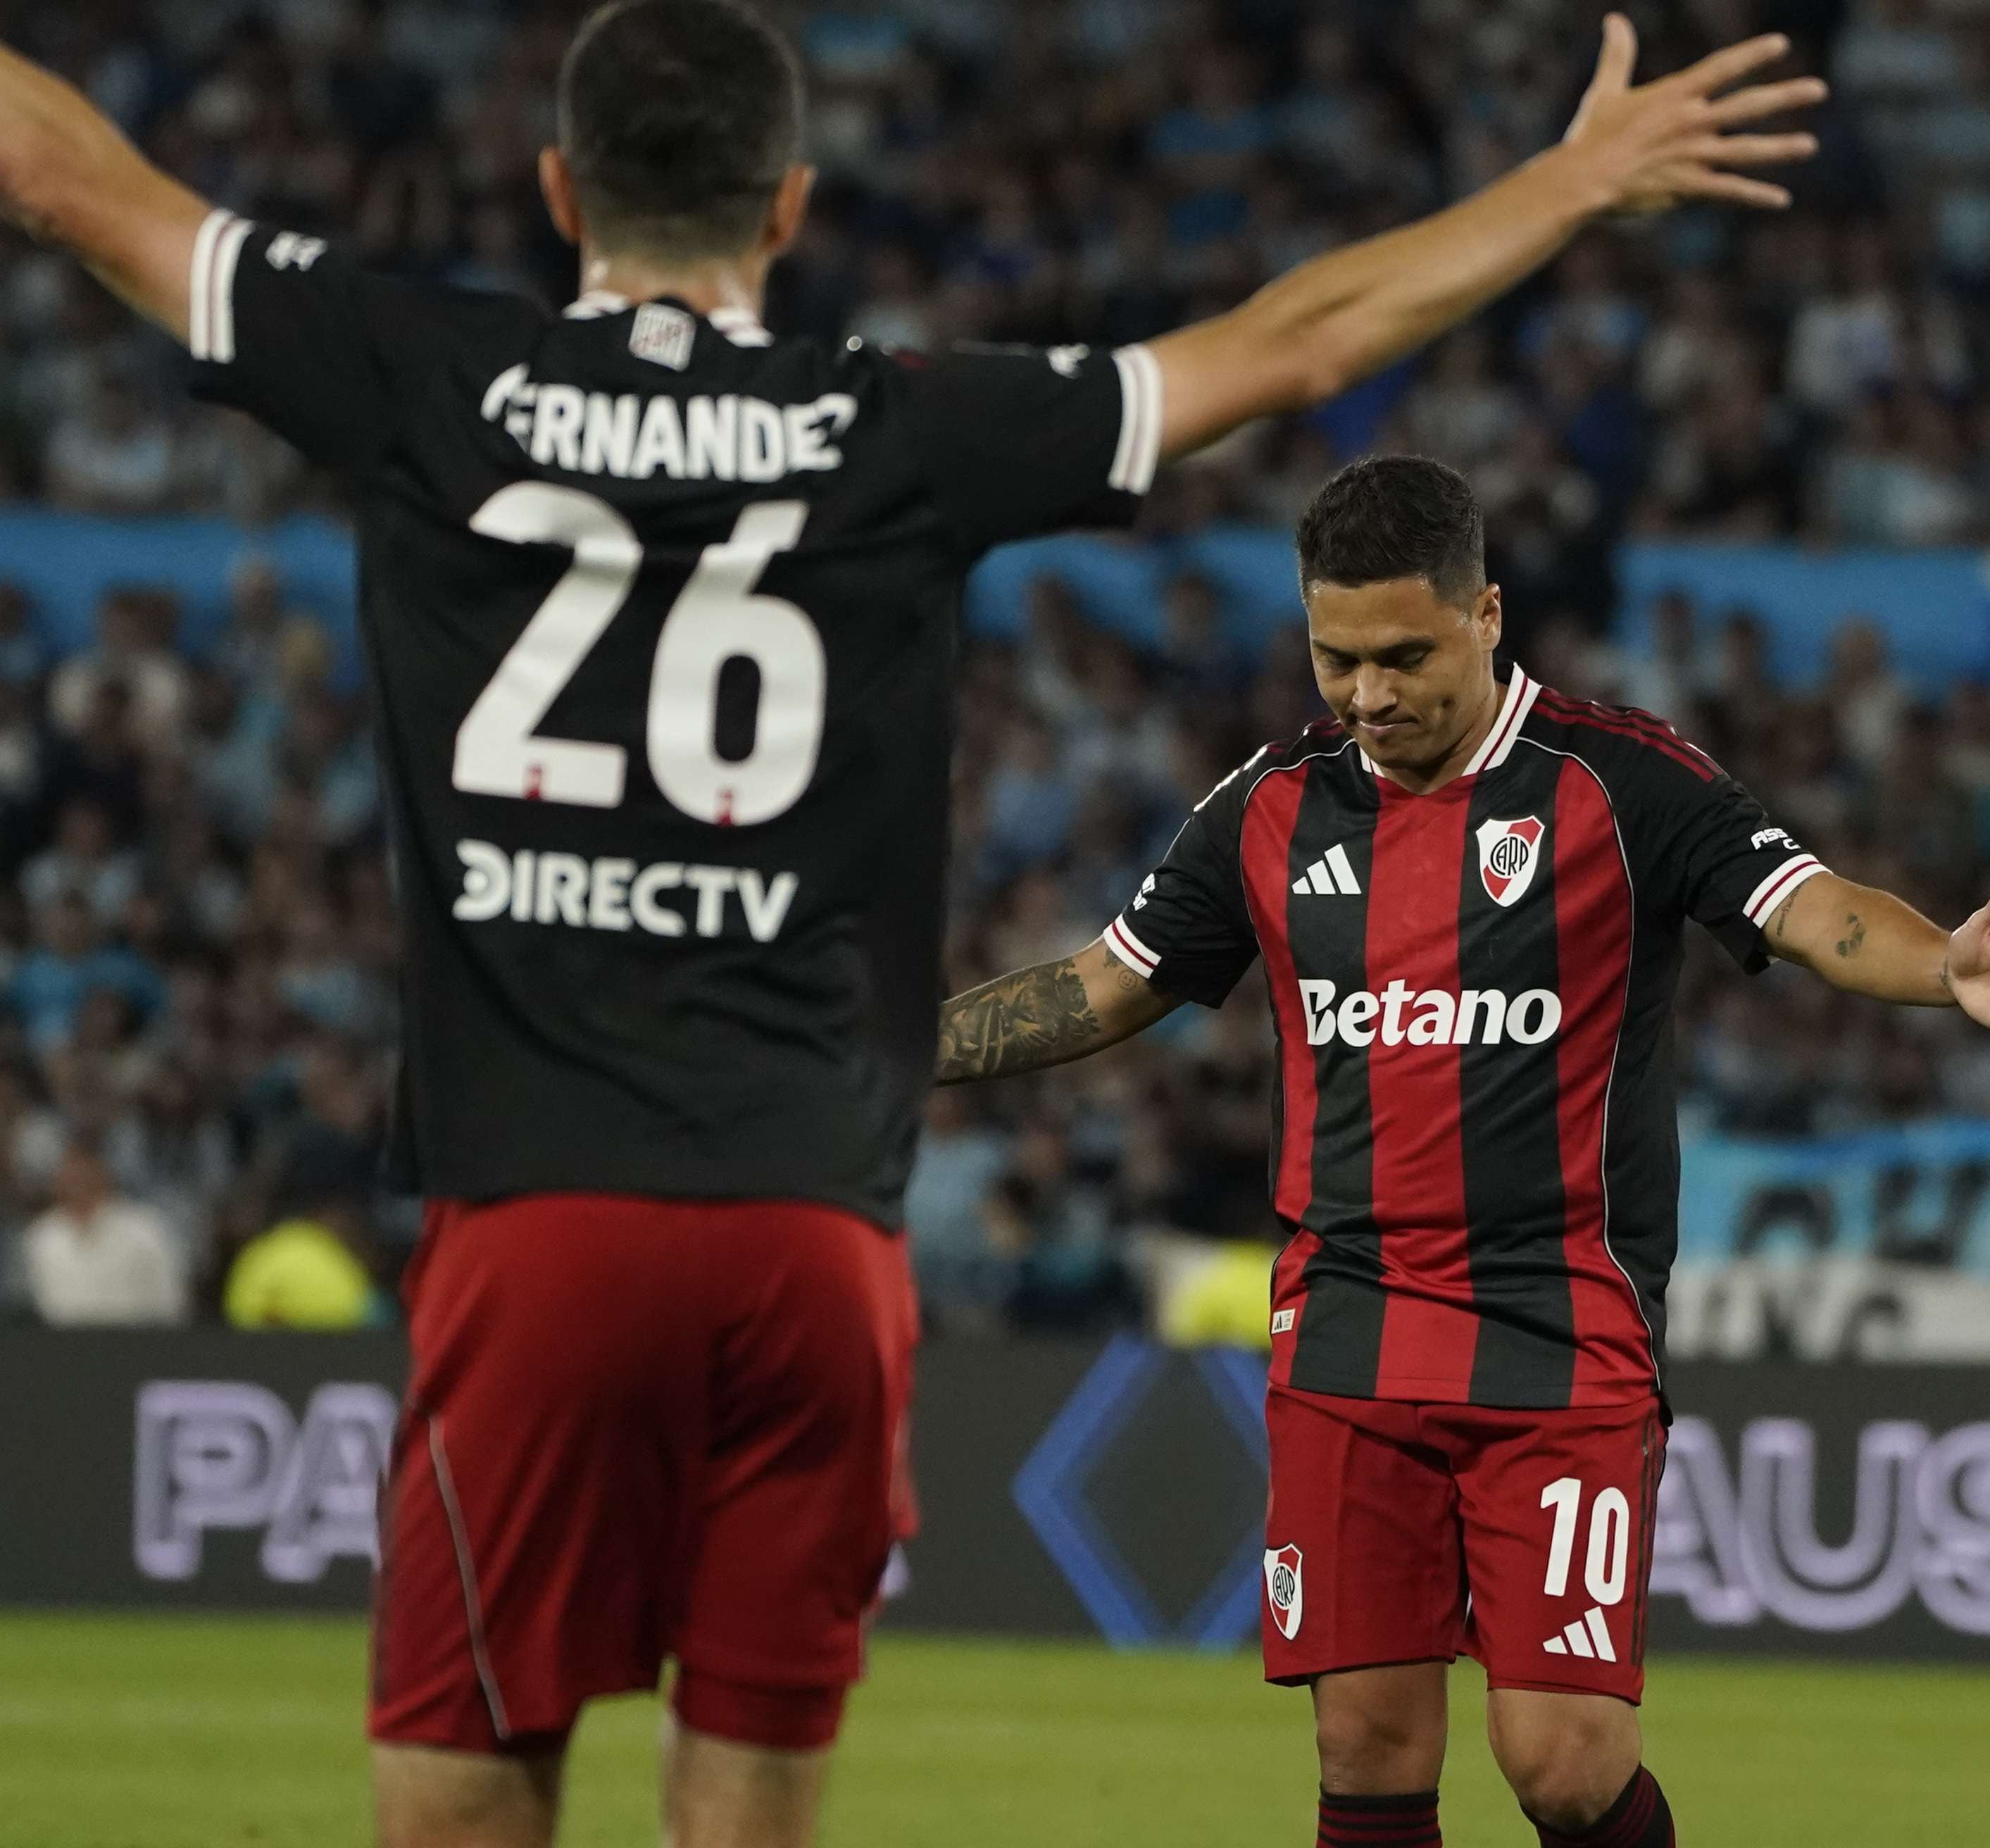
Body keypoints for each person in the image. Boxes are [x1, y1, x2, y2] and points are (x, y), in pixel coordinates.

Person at [0, 6, 1825, 1845]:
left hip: (543, 1197)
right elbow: (1299, 344)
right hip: (811, 1232)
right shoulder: (897, 418)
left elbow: (68, 179)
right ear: (789, 204)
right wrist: (1577, 179)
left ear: (558, 187)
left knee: (461, 1801)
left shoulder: (420, 367)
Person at [936, 455, 1990, 1848]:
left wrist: (1938, 965)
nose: (1367, 693)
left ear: (1488, 614)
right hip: (1350, 1324)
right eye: (1335, 655)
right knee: (1366, 1745)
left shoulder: (1620, 782)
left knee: (1561, 1759)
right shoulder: (1272, 804)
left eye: (1405, 654)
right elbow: (1112, 981)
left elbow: (1810, 909)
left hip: (1561, 1328)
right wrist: (899, 1045)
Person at [23, 1137, 186, 1326]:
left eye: (85, 1170)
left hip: (135, 1347)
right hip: (61, 1350)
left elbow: (171, 1302)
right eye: (71, 1170)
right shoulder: (42, 1235)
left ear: (104, 1172)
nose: (77, 1180)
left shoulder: (144, 1229)